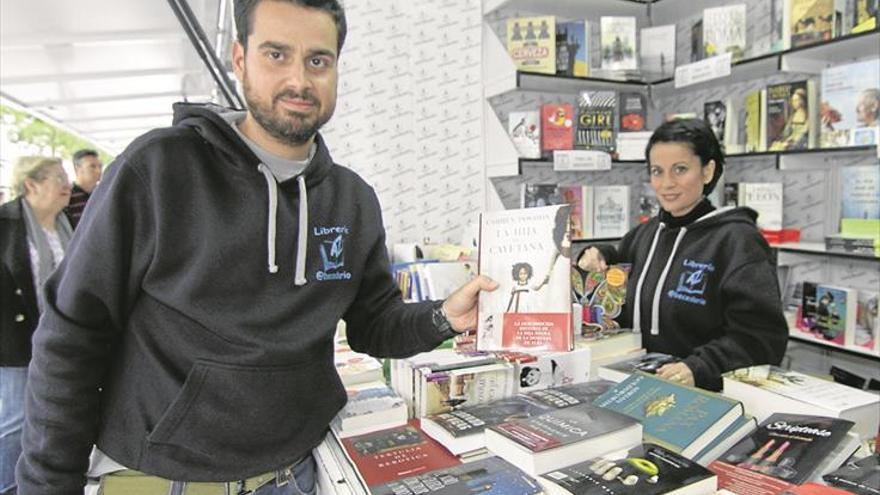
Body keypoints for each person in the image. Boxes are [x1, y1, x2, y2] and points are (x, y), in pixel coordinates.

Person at [16, 1, 496, 494]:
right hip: (161, 480)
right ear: (240, 60)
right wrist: (48, 485)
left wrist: (444, 317)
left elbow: (374, 323)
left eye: (318, 61)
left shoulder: (351, 200)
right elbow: (71, 335)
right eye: (276, 55)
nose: (299, 80)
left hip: (294, 477)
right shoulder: (159, 169)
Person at [577, 119, 787, 391]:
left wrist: (700, 368)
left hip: (706, 397)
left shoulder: (738, 241)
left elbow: (763, 339)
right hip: (636, 387)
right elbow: (621, 269)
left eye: (680, 169)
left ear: (708, 171)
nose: (667, 184)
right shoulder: (646, 234)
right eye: (657, 171)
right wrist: (599, 254)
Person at [1, 156, 72, 495]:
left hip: (58, 339)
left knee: (50, 417)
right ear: (31, 184)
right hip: (14, 342)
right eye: (57, 178)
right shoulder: (6, 224)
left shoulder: (65, 224)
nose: (66, 185)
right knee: (16, 420)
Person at [63, 149, 103, 230]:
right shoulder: (67, 196)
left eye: (100, 166)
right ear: (77, 169)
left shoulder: (104, 194)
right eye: (92, 166)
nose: (99, 171)